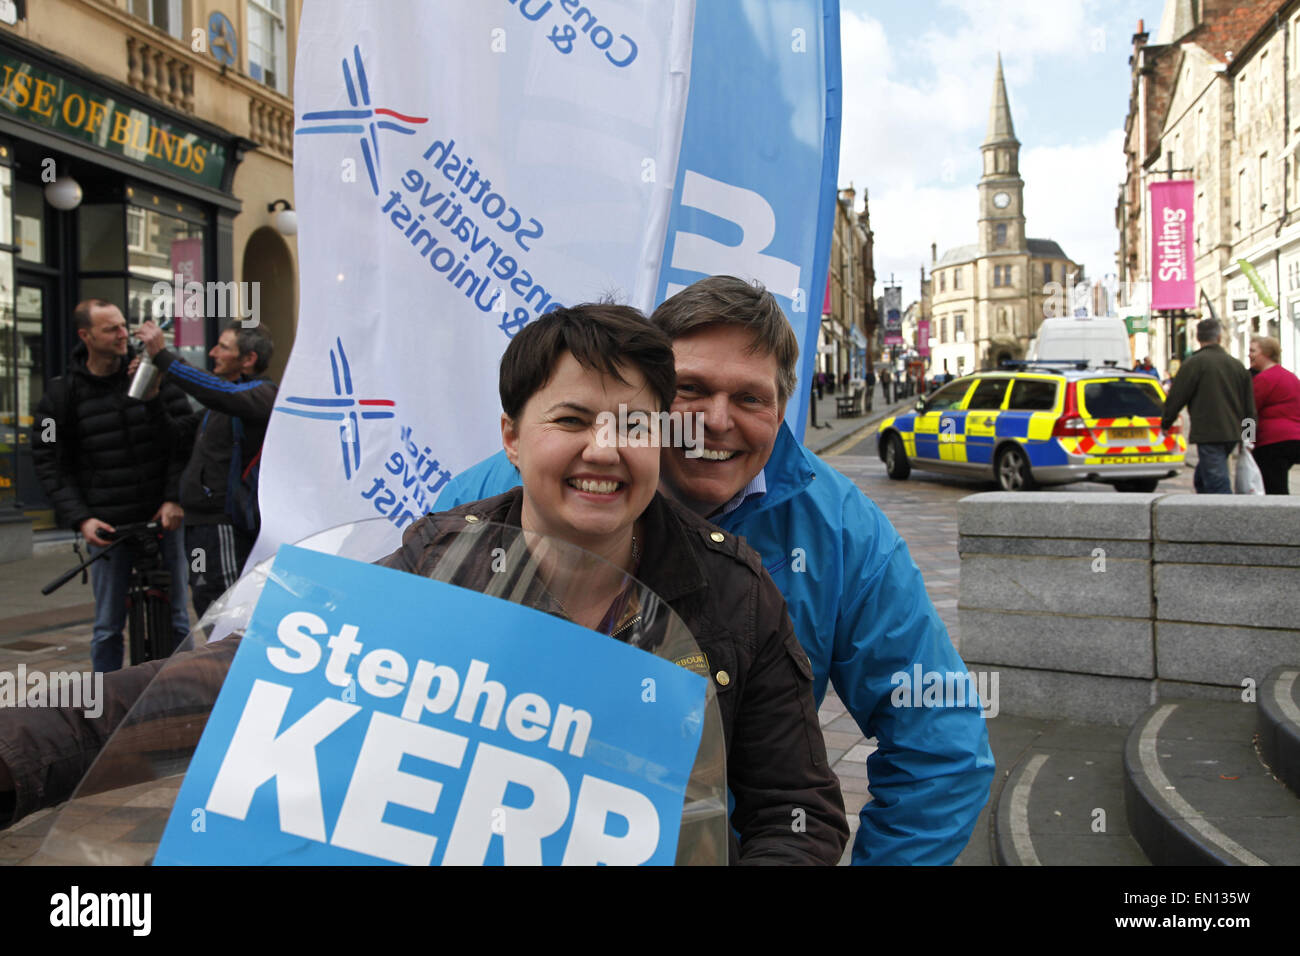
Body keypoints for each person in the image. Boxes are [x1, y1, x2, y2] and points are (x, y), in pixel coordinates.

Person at [0, 303, 848, 866]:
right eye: (571, 419)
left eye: (631, 423)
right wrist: (18, 757)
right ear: (512, 438)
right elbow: (209, 687)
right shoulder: (435, 566)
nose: (603, 449)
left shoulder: (737, 594)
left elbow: (797, 813)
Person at [436, 276, 995, 865]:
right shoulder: (496, 496)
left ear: (782, 410)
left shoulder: (842, 536)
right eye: (690, 389)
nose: (715, 421)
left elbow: (940, 746)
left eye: (750, 398)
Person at [31, 300, 194, 673]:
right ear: (85, 336)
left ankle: (185, 699)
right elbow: (48, 461)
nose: (124, 335)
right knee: (106, 628)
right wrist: (81, 519)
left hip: (161, 519)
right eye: (111, 329)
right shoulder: (60, 395)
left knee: (178, 620)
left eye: (124, 326)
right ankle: (104, 708)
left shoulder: (153, 375)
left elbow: (182, 444)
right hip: (107, 526)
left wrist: (173, 499)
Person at [134, 319, 277, 616]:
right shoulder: (218, 407)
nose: (212, 352)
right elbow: (173, 435)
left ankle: (228, 664)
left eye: (223, 347)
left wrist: (164, 357)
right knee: (205, 597)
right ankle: (216, 661)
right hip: (198, 525)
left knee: (225, 608)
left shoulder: (261, 395)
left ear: (249, 359)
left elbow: (218, 392)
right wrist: (152, 399)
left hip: (222, 525)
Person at [1160, 318, 1256, 495]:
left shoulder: (1193, 364)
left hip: (1209, 432)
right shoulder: (1237, 365)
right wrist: (1248, 437)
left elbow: (1177, 397)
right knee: (1203, 478)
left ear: (1198, 338)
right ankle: (1204, 512)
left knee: (1217, 483)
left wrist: (1166, 423)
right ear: (1219, 337)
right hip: (1233, 432)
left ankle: (1223, 517)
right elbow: (1249, 406)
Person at [1247, 335, 1300, 494]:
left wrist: (1247, 440)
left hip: (1271, 442)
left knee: (1274, 490)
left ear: (1266, 353)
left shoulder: (1263, 379)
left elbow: (1250, 411)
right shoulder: (1291, 377)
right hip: (1295, 439)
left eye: (1253, 350)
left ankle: (1282, 518)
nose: (1249, 355)